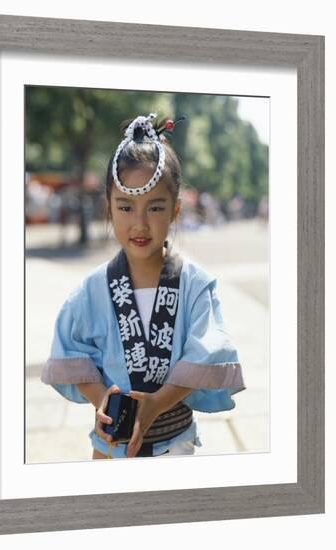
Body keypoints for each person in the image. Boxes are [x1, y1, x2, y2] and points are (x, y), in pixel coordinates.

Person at [41, 113, 245, 459]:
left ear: (175, 210)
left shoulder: (194, 285)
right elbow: (72, 352)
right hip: (110, 442)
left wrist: (156, 404)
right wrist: (100, 398)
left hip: (174, 440)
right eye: (125, 207)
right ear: (108, 208)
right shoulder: (93, 289)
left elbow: (207, 350)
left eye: (155, 208)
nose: (139, 223)